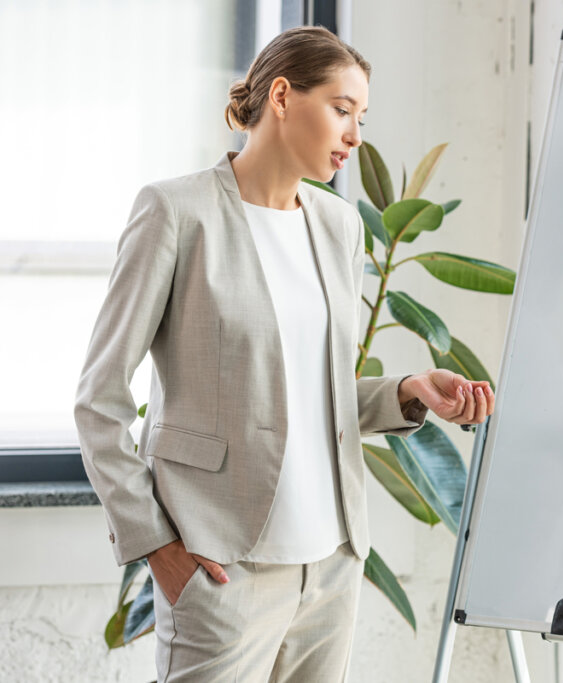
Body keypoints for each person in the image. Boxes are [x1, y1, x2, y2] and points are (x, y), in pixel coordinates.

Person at [74, 26, 494, 683]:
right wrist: (156, 545)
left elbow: (311, 392)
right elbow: (98, 399)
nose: (356, 134)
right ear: (280, 96)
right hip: (223, 568)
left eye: (363, 116)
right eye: (341, 108)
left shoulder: (339, 225)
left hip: (329, 567)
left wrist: (409, 390)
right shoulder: (176, 212)